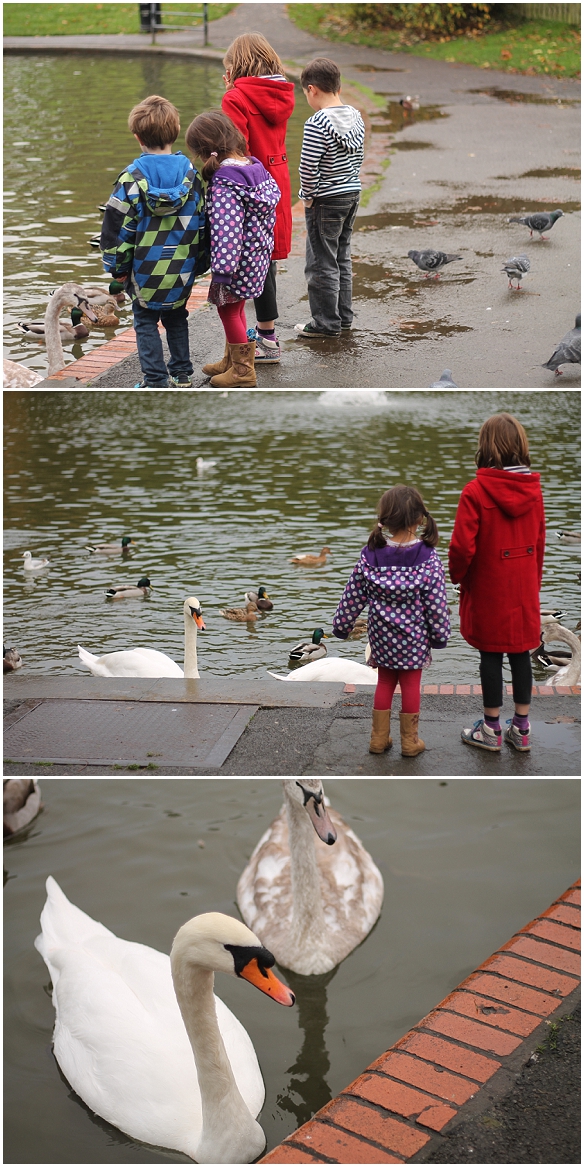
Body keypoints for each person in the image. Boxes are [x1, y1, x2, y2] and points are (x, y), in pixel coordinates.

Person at [449, 412, 545, 753]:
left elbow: (462, 545)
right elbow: (540, 541)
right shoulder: (534, 491)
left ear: (485, 447)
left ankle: (490, 730)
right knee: (521, 654)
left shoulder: (476, 491)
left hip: (490, 587)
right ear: (519, 446)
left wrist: (457, 576)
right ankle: (521, 728)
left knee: (490, 656)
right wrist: (534, 582)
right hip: (523, 586)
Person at [332, 485, 451, 757]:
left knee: (385, 682)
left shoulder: (370, 554)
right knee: (410, 684)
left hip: (381, 636)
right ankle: (410, 742)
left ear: (385, 519)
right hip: (414, 638)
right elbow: (436, 603)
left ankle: (378, 739)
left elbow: (352, 595)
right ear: (420, 519)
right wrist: (440, 635)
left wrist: (342, 626)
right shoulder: (427, 558)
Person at [101, 94, 208, 389]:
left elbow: (116, 229)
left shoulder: (130, 179)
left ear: (137, 137)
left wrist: (116, 267)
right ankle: (182, 373)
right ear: (175, 132)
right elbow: (203, 225)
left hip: (144, 269)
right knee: (177, 317)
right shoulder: (192, 177)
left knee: (145, 321)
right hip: (182, 267)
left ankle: (155, 380)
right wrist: (199, 263)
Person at [185, 110, 280, 388]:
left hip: (236, 261)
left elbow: (227, 231)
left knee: (228, 310)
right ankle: (232, 359)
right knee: (236, 308)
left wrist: (223, 271)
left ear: (205, 150)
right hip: (256, 257)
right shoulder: (255, 168)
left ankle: (242, 372)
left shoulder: (225, 183)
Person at [221, 33, 295, 365]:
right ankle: (267, 333)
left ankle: (257, 342)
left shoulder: (237, 97)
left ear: (237, 65)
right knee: (268, 260)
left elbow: (235, 148)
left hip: (249, 182)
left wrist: (229, 93)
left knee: (246, 261)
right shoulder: (281, 93)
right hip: (276, 180)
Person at [295, 58, 365, 338]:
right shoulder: (357, 116)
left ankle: (325, 323)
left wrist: (308, 197)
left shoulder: (316, 123)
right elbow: (358, 157)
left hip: (325, 200)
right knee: (342, 257)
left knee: (321, 262)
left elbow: (307, 168)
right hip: (351, 194)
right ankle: (343, 318)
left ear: (312, 89)